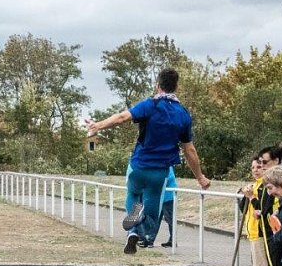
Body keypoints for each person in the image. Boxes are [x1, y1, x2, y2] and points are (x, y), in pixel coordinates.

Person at [86, 68, 210, 254]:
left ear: (158, 85)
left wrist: (98, 126)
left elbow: (121, 117)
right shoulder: (183, 114)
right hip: (159, 172)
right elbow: (189, 150)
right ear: (175, 87)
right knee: (151, 218)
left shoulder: (150, 105)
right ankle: (141, 223)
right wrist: (200, 177)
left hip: (138, 166)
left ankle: (133, 232)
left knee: (134, 195)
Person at [240, 157, 274, 266]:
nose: (255, 170)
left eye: (259, 167)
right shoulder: (254, 186)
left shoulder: (265, 188)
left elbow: (262, 210)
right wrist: (245, 195)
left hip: (262, 234)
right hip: (253, 233)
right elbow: (243, 209)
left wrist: (252, 197)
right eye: (253, 167)